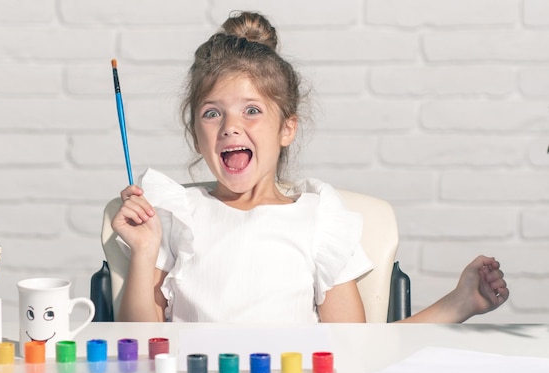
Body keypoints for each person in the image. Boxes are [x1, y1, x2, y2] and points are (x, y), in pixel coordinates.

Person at [112, 11, 509, 323]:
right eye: (213, 113)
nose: (231, 126)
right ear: (195, 133)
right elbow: (138, 346)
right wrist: (144, 251)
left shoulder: (318, 219)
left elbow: (358, 352)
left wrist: (457, 305)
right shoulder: (175, 213)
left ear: (287, 128)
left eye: (252, 111)